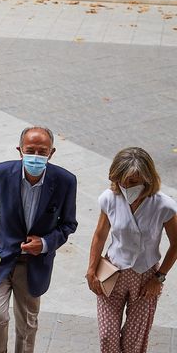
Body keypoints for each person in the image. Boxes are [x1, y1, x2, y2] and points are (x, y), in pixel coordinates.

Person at [0, 126, 77, 353]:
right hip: (1, 260)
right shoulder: (1, 172)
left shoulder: (65, 181)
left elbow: (69, 224)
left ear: (51, 153)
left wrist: (45, 243)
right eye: (30, 150)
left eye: (42, 151)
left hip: (34, 265)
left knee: (27, 325)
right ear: (20, 150)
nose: (36, 156)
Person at [86, 147, 177, 353]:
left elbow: (176, 243)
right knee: (108, 337)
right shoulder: (109, 198)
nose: (127, 187)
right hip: (111, 271)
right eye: (123, 181)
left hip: (145, 277)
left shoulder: (164, 206)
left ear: (147, 178)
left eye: (133, 182)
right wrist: (91, 270)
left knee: (133, 342)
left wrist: (159, 278)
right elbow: (100, 235)